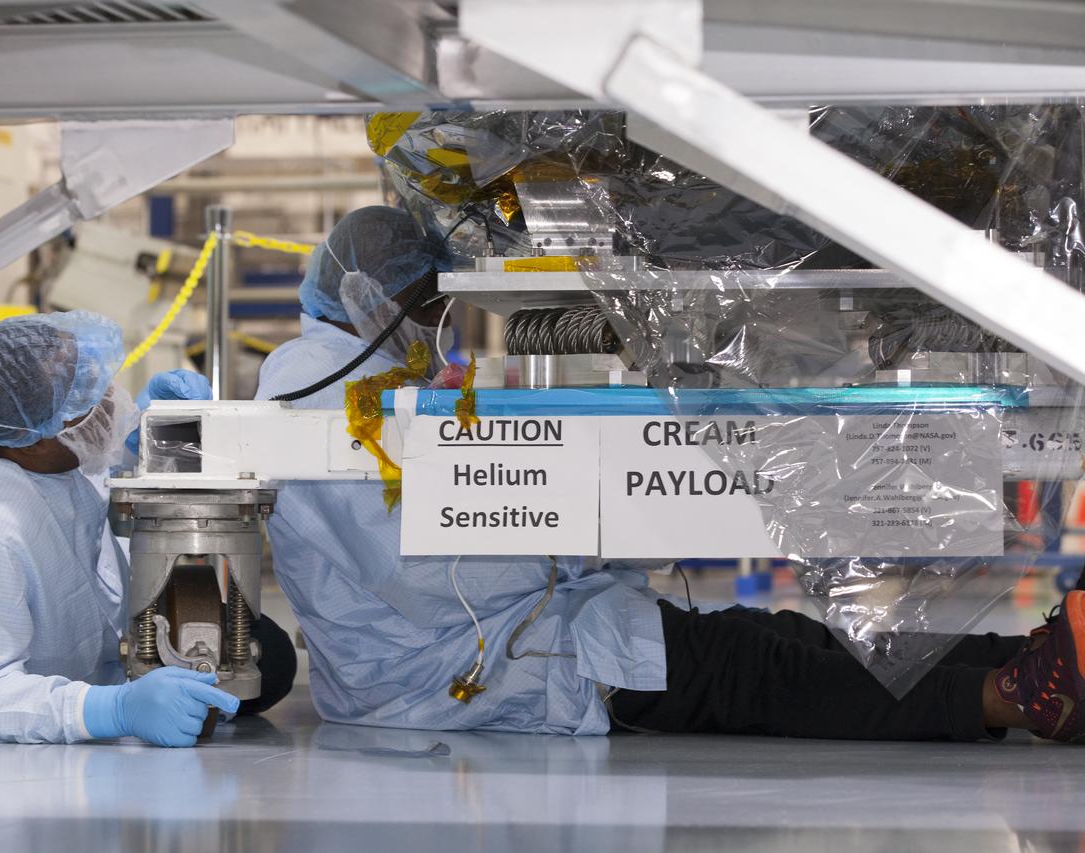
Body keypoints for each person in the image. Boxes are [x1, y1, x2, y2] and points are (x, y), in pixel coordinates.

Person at [255, 206, 1085, 744]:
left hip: (520, 629)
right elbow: (426, 565)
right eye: (428, 306)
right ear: (373, 296)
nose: (438, 323)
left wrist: (581, 529)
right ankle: (1014, 695)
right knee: (759, 671)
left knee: (783, 634)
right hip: (459, 671)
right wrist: (580, 531)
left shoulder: (357, 373)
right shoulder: (318, 382)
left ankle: (1030, 652)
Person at [0, 310, 240, 746]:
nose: (111, 403)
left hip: (86, 633)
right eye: (91, 403)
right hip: (22, 685)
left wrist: (135, 438)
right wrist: (113, 711)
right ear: (36, 441)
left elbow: (73, 454)